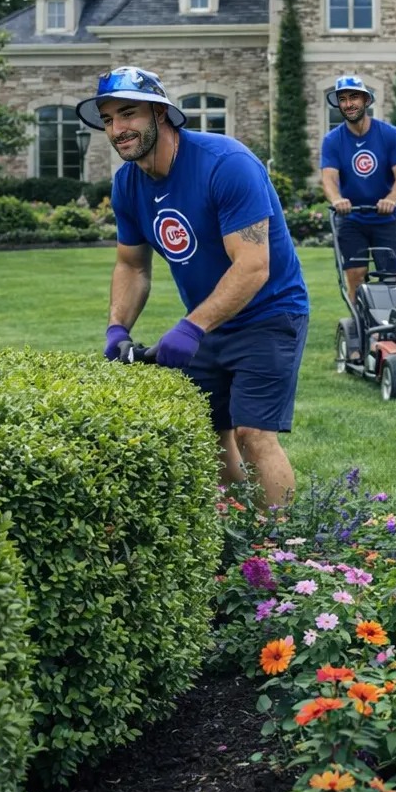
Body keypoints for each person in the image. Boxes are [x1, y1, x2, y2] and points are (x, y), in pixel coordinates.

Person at [80, 66, 311, 509]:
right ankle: (236, 526)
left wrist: (191, 328)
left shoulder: (226, 164)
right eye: (108, 120)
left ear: (161, 114)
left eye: (128, 114)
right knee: (210, 429)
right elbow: (131, 265)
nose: (118, 129)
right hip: (210, 319)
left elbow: (252, 267)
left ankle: (285, 550)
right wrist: (116, 329)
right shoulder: (127, 184)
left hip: (270, 313)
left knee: (252, 433)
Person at [319, 75, 396, 310]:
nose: (349, 104)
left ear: (366, 100)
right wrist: (337, 199)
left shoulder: (390, 134)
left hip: (387, 218)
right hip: (352, 219)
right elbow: (328, 178)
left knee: (392, 278)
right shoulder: (332, 140)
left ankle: (391, 331)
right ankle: (359, 331)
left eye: (354, 98)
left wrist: (391, 199)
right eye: (343, 99)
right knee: (356, 275)